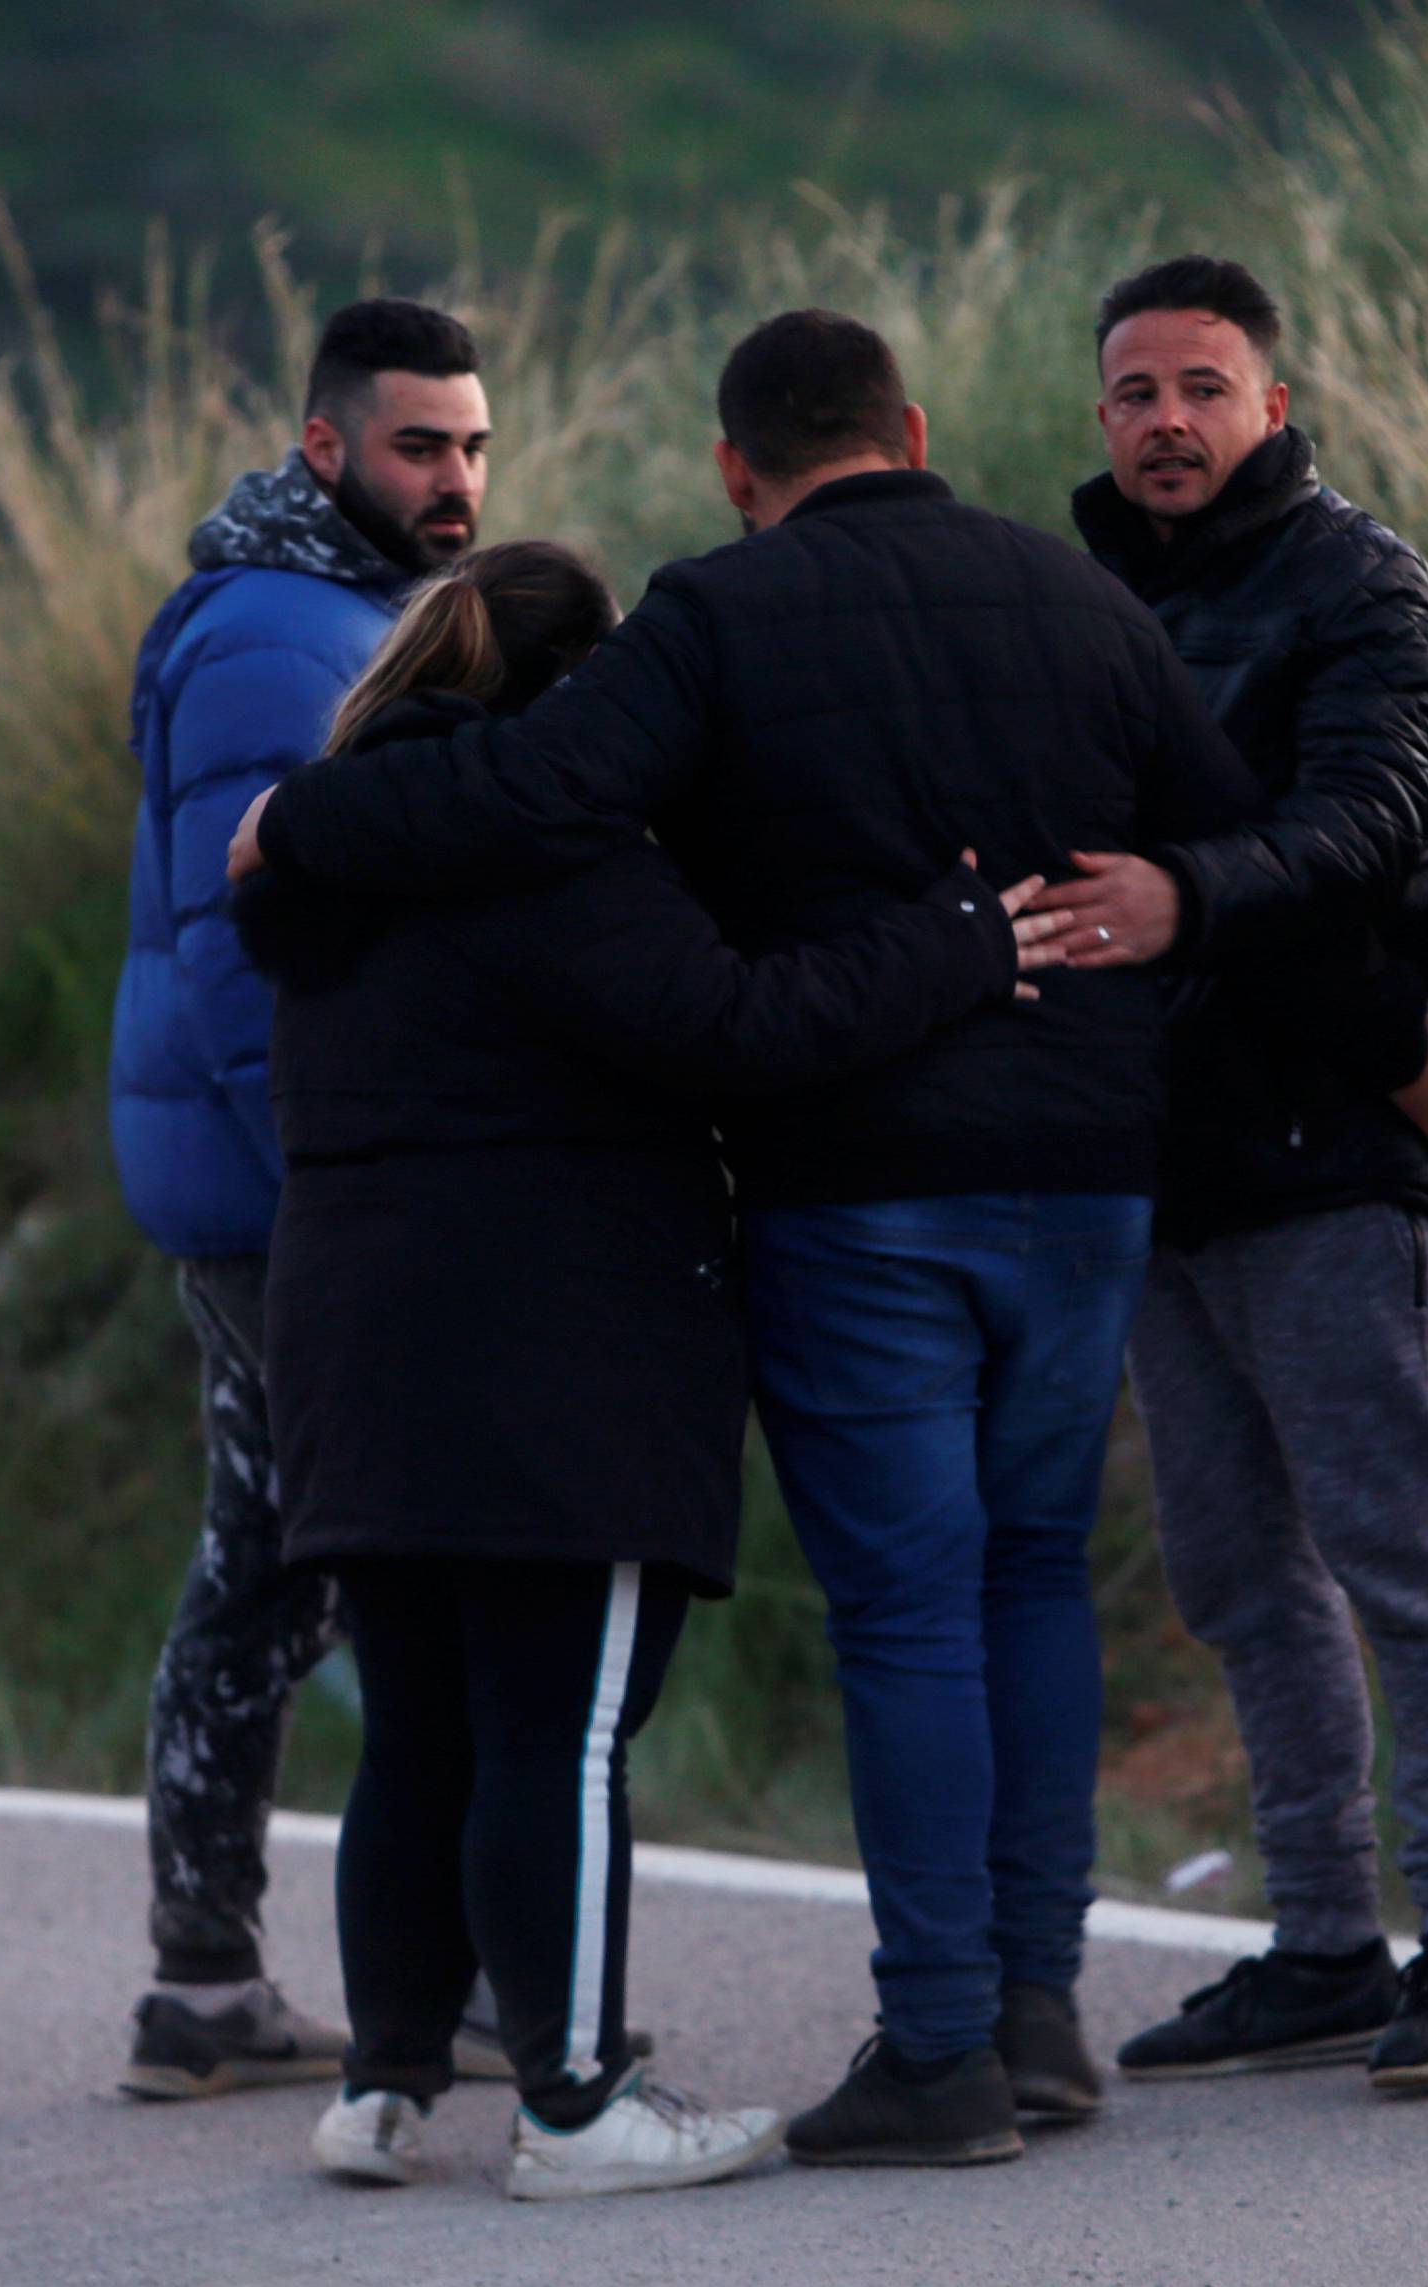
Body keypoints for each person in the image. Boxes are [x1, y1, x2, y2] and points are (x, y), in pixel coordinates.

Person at [229, 307, 1269, 2168]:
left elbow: (540, 792)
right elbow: (1230, 850)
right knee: (1033, 1575)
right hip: (1092, 1175)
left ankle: (942, 2041)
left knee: (906, 1603)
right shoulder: (1084, 598)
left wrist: (306, 811)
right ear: (916, 426)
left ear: (735, 468)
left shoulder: (719, 614)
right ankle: (1041, 2009)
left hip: (860, 1182)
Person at [237, 538, 1070, 2193]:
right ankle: (568, 2100)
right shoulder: (553, 850)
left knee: (417, 1724)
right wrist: (963, 937)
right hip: (558, 1338)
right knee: (565, 1721)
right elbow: (740, 1024)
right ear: (587, 702)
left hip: (347, 1325)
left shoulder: (319, 852)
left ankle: (386, 2078)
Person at [1041, 256, 1428, 2091]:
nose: (1167, 419)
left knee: (1403, 1550)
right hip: (1152, 1155)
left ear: (1268, 399)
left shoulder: (1363, 578)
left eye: (1202, 385)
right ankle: (1323, 1936)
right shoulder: (1071, 596)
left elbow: (1369, 822)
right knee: (1238, 1569)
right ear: (1099, 415)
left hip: (1329, 1135)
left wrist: (1188, 893)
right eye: (1136, 391)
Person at [110, 297, 492, 2099]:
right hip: (283, 1186)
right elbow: (240, 944)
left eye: (477, 446)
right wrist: (333, 1180)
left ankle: (207, 1978)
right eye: (422, 446)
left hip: (267, 1178)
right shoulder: (276, 635)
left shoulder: (335, 611)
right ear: (327, 447)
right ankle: (457, 1975)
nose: (459, 480)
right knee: (379, 1553)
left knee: (269, 1558)